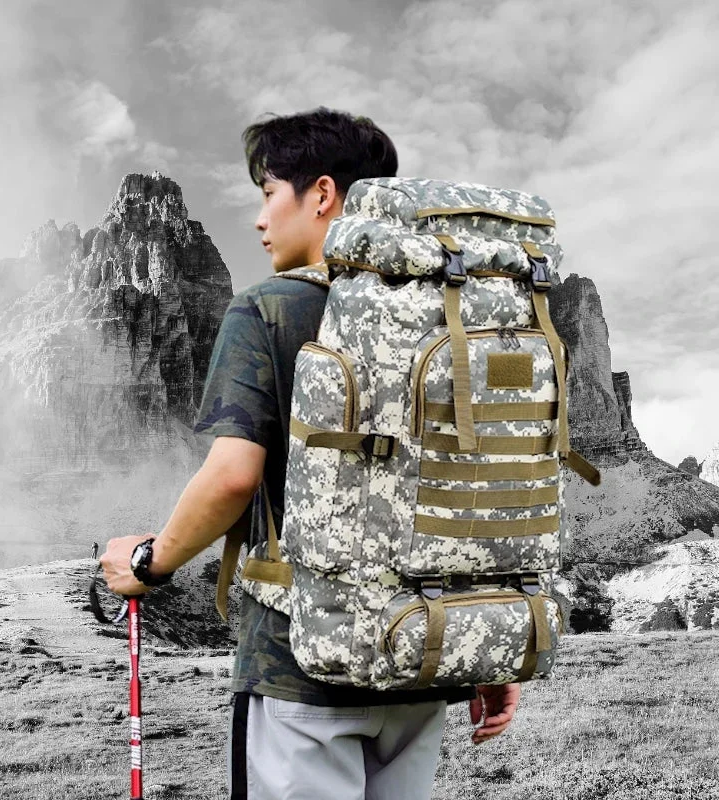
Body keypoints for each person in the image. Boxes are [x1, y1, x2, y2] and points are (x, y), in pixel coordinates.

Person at [100, 107, 521, 799]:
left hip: (302, 669)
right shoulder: (449, 318)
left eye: (269, 193)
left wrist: (149, 563)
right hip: (420, 659)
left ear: (321, 193)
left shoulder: (267, 310)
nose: (260, 219)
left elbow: (232, 477)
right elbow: (475, 480)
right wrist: (485, 646)